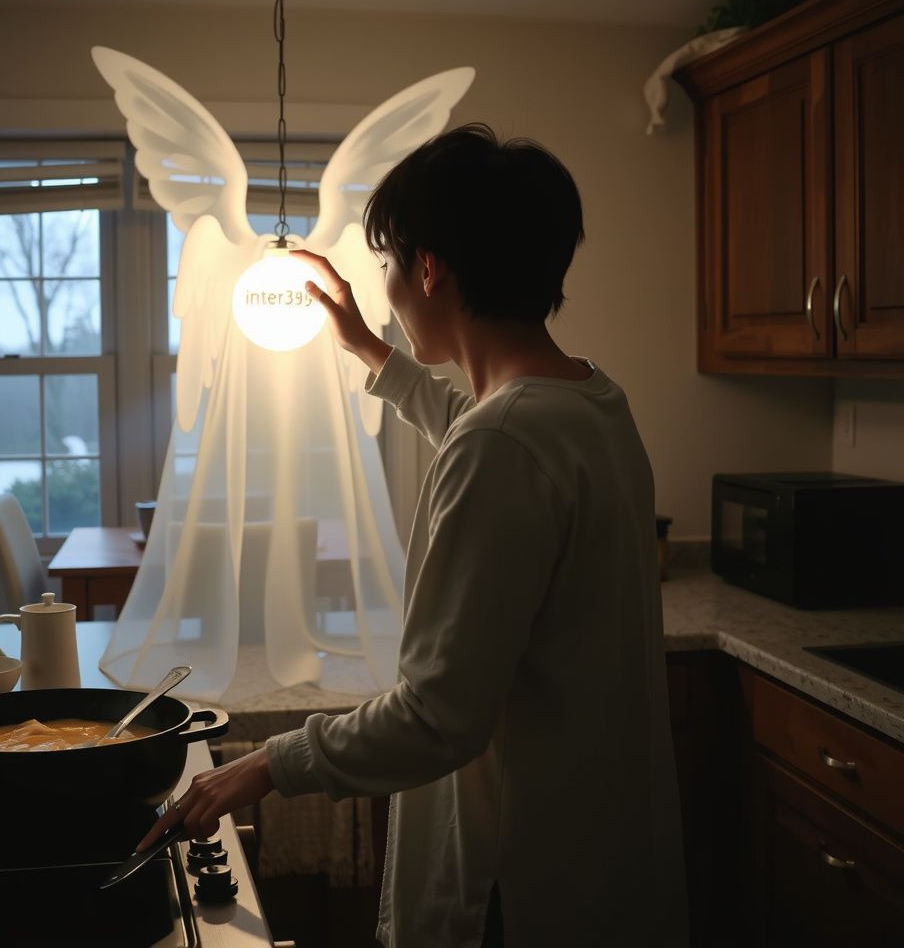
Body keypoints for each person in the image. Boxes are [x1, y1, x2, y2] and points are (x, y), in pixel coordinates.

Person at [137, 123, 688, 947]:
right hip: (600, 856)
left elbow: (438, 718)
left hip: (519, 883)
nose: (387, 287)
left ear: (429, 267)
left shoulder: (505, 444)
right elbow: (483, 423)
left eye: (387, 264)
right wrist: (370, 350)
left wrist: (263, 766)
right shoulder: (593, 406)